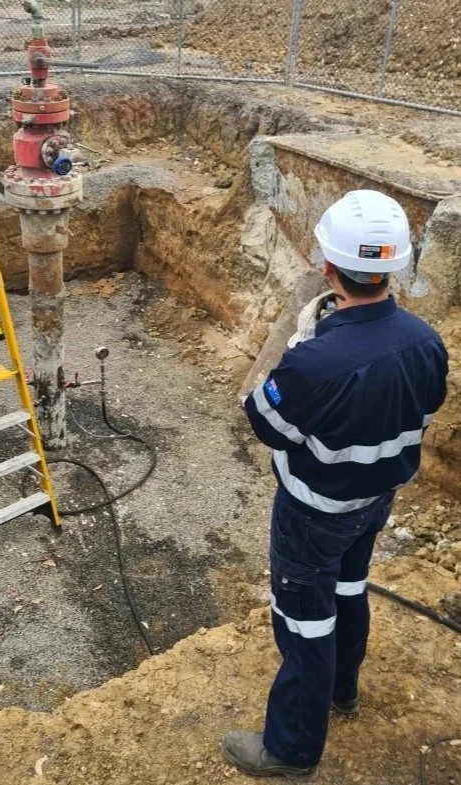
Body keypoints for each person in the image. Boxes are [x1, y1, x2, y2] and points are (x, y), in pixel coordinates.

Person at [223, 190, 448, 779]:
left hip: (314, 513)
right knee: (349, 590)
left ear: (328, 268)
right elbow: (422, 414)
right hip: (376, 500)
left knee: (305, 622)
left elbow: (265, 425)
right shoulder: (427, 341)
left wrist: (300, 350)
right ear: (394, 266)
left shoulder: (315, 362)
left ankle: (291, 750)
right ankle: (343, 691)